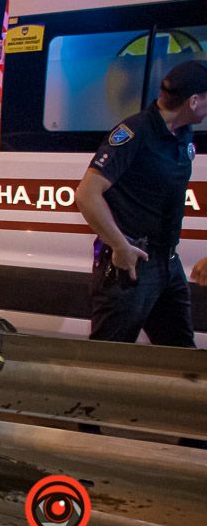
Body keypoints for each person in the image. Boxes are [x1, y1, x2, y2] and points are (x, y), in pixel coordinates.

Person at [75, 60, 207, 347]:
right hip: (130, 265)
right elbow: (87, 194)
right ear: (194, 101)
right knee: (109, 357)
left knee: (180, 355)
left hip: (168, 264)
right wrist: (120, 246)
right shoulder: (134, 132)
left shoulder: (183, 135)